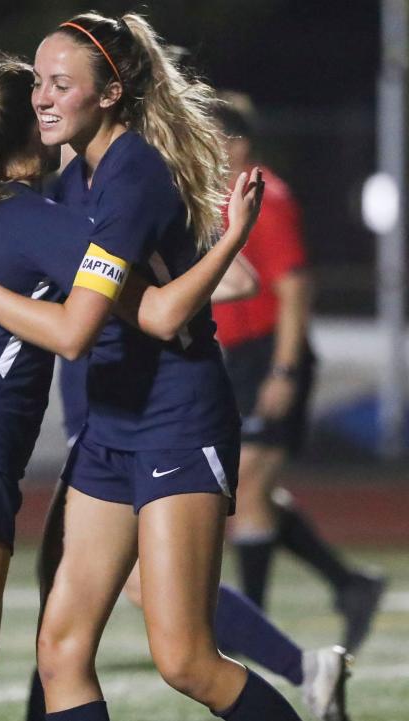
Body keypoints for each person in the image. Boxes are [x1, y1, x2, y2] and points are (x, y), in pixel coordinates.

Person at [0, 12, 304, 721]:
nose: (43, 100)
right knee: (60, 650)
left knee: (185, 659)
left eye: (62, 85)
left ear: (110, 93)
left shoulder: (131, 176)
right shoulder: (72, 175)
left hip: (174, 418)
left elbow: (113, 324)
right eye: (40, 86)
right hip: (109, 421)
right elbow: (47, 251)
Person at [213, 91, 386, 653]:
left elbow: (293, 286)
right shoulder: (220, 196)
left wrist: (284, 370)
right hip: (242, 358)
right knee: (252, 488)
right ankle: (349, 584)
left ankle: (253, 624)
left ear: (235, 142)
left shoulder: (267, 194)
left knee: (246, 486)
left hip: (271, 354)